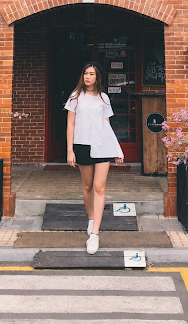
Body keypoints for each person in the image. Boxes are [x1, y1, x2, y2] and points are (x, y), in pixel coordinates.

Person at [65, 61, 124, 254]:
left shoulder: (103, 98)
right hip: (82, 145)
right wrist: (70, 150)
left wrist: (117, 150)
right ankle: (91, 218)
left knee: (99, 187)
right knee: (87, 186)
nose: (88, 77)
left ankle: (95, 234)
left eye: (91, 74)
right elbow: (70, 124)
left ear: (98, 77)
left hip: (102, 145)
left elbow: (107, 126)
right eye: (85, 73)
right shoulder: (75, 97)